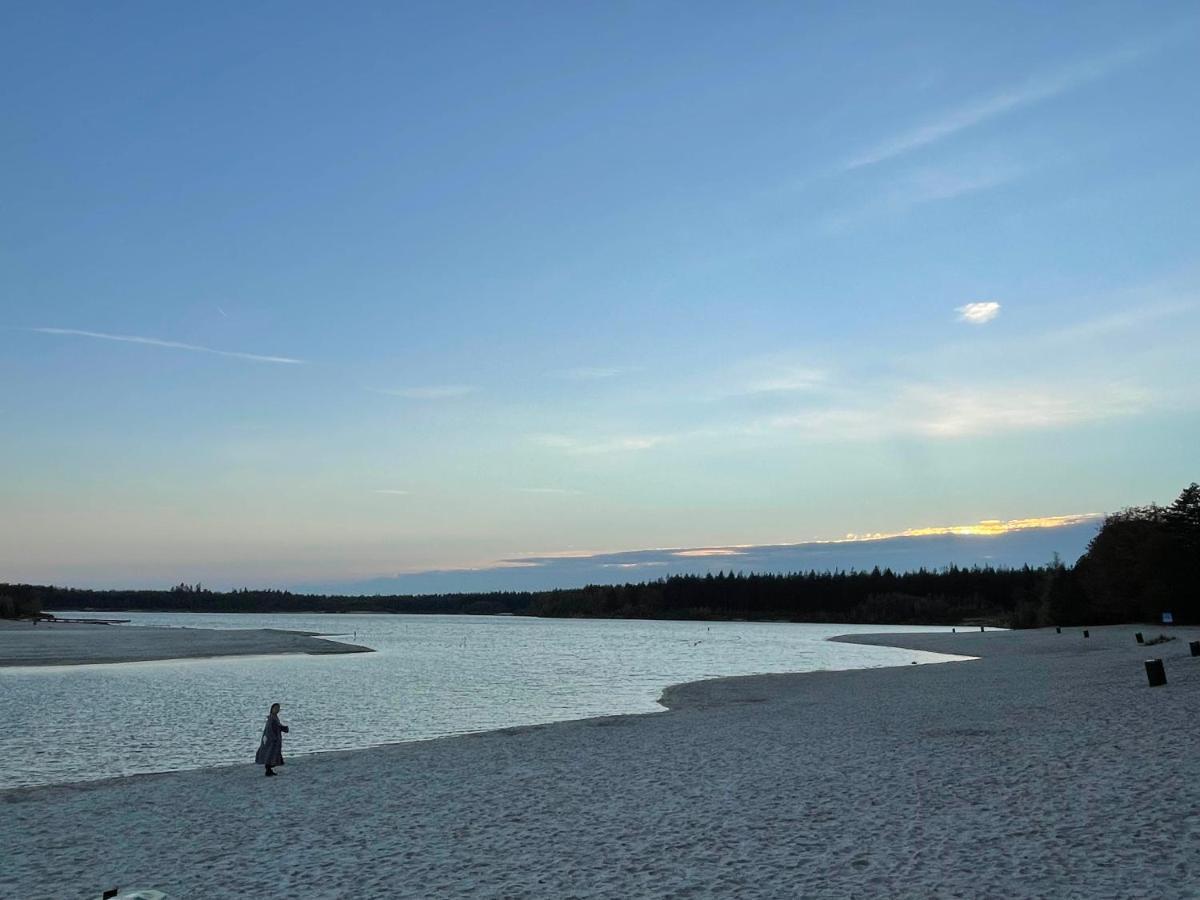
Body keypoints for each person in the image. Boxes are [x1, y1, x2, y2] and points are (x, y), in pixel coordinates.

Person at [254, 702, 289, 777]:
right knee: (269, 754)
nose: (277, 710)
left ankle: (269, 770)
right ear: (272, 709)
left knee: (273, 755)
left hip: (275, 739)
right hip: (271, 740)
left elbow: (278, 726)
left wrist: (284, 728)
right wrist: (273, 737)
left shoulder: (275, 717)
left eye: (278, 708)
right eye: (276, 708)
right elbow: (269, 729)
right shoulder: (271, 718)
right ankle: (268, 770)